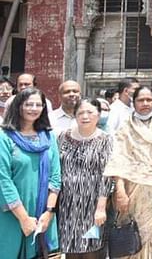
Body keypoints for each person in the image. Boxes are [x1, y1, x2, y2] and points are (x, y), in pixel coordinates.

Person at [103, 84, 152, 259]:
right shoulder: (125, 127)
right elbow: (117, 160)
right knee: (130, 235)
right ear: (133, 103)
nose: (145, 103)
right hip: (131, 191)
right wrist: (120, 192)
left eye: (149, 100)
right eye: (141, 100)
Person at [0, 88, 60, 258]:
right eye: (28, 104)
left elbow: (55, 178)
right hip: (11, 214)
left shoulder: (48, 137)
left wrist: (49, 212)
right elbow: (3, 180)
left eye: (38, 105)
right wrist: (24, 218)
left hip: (43, 215)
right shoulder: (4, 137)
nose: (33, 108)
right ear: (19, 106)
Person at [57, 98, 113, 259]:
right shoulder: (62, 137)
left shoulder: (106, 140)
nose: (85, 116)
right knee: (70, 249)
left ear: (99, 115)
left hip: (93, 205)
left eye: (90, 112)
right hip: (67, 206)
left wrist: (101, 207)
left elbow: (107, 175)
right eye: (80, 112)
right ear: (74, 115)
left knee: (92, 249)